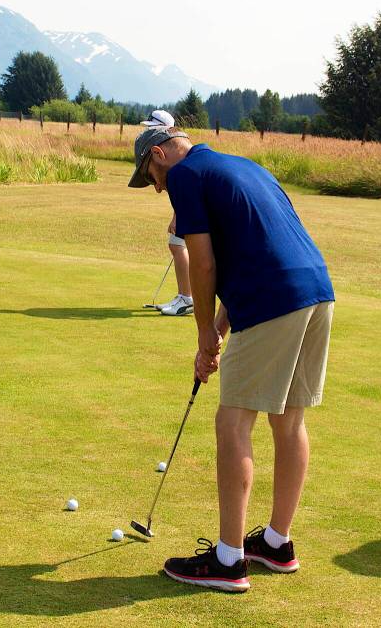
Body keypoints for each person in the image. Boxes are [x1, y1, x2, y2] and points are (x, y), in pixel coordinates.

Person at [129, 127, 335, 593]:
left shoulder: (185, 177)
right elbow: (253, 257)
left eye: (151, 177)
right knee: (287, 419)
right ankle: (277, 544)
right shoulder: (244, 166)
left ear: (160, 155)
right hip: (317, 292)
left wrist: (203, 334)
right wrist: (217, 333)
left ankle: (228, 560)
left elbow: (203, 265)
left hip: (273, 299)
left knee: (233, 422)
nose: (158, 188)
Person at [140, 110, 193, 316]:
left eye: (151, 127)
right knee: (176, 245)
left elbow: (186, 192)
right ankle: (184, 296)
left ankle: (186, 297)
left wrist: (177, 216)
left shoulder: (174, 155)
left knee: (176, 245)